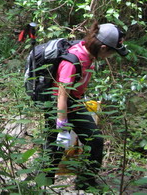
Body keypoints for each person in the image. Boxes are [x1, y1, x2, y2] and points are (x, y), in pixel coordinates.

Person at [45, 22, 129, 191]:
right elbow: (62, 94)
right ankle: (44, 186)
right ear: (103, 47)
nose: (111, 56)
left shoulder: (89, 54)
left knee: (95, 140)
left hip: (74, 102)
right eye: (112, 52)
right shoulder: (73, 60)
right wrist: (62, 126)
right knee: (54, 148)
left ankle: (85, 184)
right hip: (58, 106)